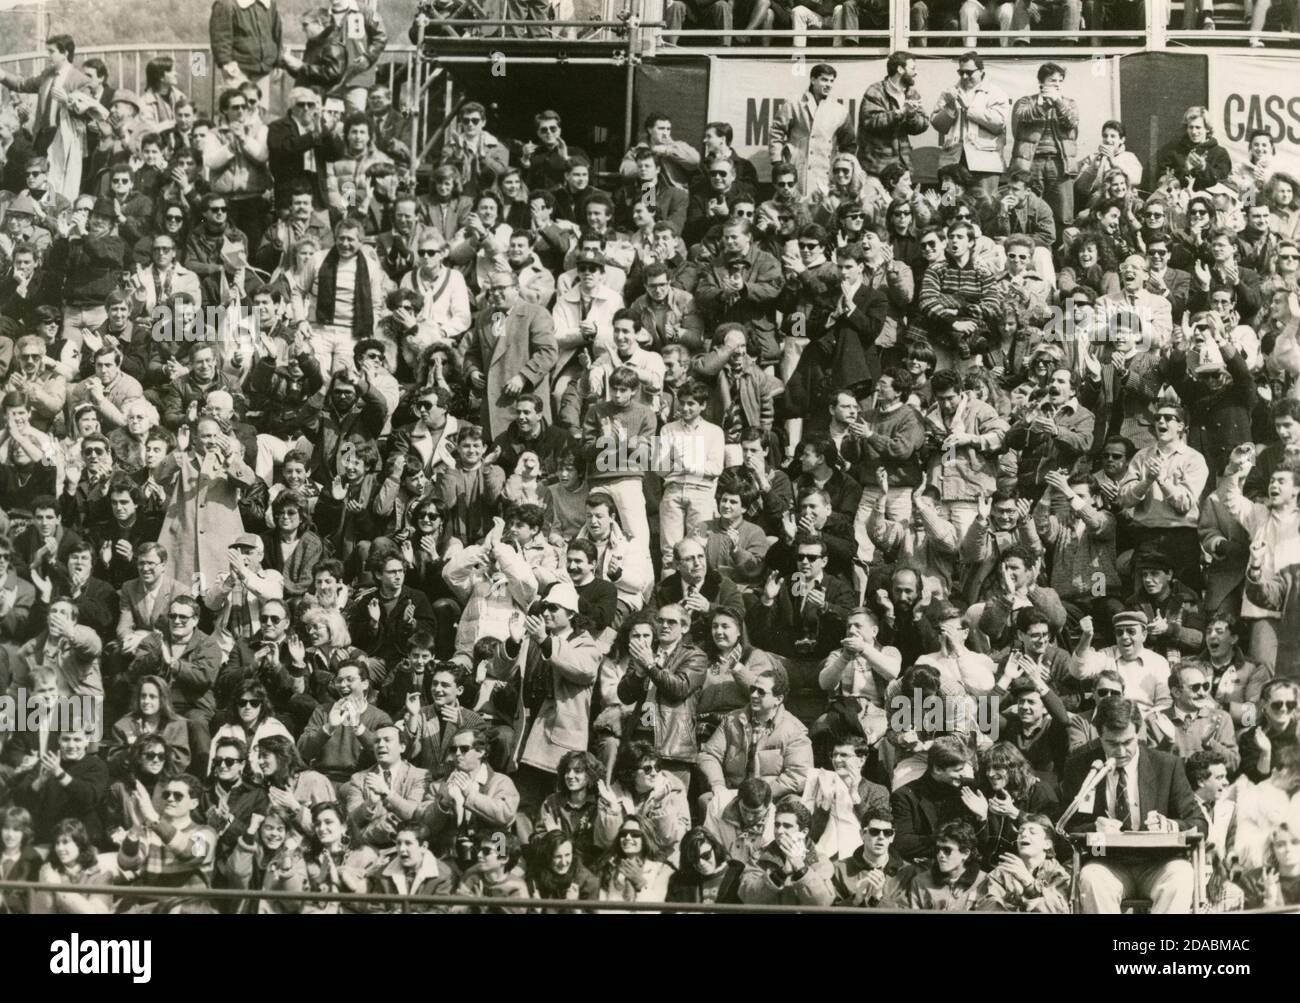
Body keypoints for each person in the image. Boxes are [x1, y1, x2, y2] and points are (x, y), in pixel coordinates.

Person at [1063, 696, 1206, 914]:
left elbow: (1200, 823)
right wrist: (1094, 829)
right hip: (1105, 861)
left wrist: (1170, 826)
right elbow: (1066, 828)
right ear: (1098, 736)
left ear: (1138, 733)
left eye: (1127, 742)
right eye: (1112, 743)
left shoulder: (1166, 765)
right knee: (1091, 879)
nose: (1121, 752)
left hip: (1159, 862)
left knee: (1182, 874)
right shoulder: (1080, 766)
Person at [769, 64, 856, 199]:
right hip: (798, 170)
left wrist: (840, 171)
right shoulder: (794, 104)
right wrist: (778, 163)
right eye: (824, 80)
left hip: (825, 172)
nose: (828, 85)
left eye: (831, 81)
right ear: (813, 80)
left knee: (822, 212)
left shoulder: (840, 111)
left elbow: (849, 145)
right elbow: (776, 132)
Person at [930, 52, 1009, 197]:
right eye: (961, 72)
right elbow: (938, 125)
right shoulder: (949, 92)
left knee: (985, 206)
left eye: (969, 72)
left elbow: (999, 123)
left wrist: (969, 108)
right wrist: (949, 106)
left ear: (981, 72)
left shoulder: (996, 93)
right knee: (949, 203)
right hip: (952, 161)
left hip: (985, 163)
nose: (965, 77)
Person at [857, 52, 928, 177]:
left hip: (902, 168)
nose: (916, 73)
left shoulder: (912, 94)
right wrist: (900, 113)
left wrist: (911, 116)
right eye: (912, 68)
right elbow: (871, 122)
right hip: (877, 167)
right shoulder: (875, 91)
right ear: (900, 69)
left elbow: (923, 124)